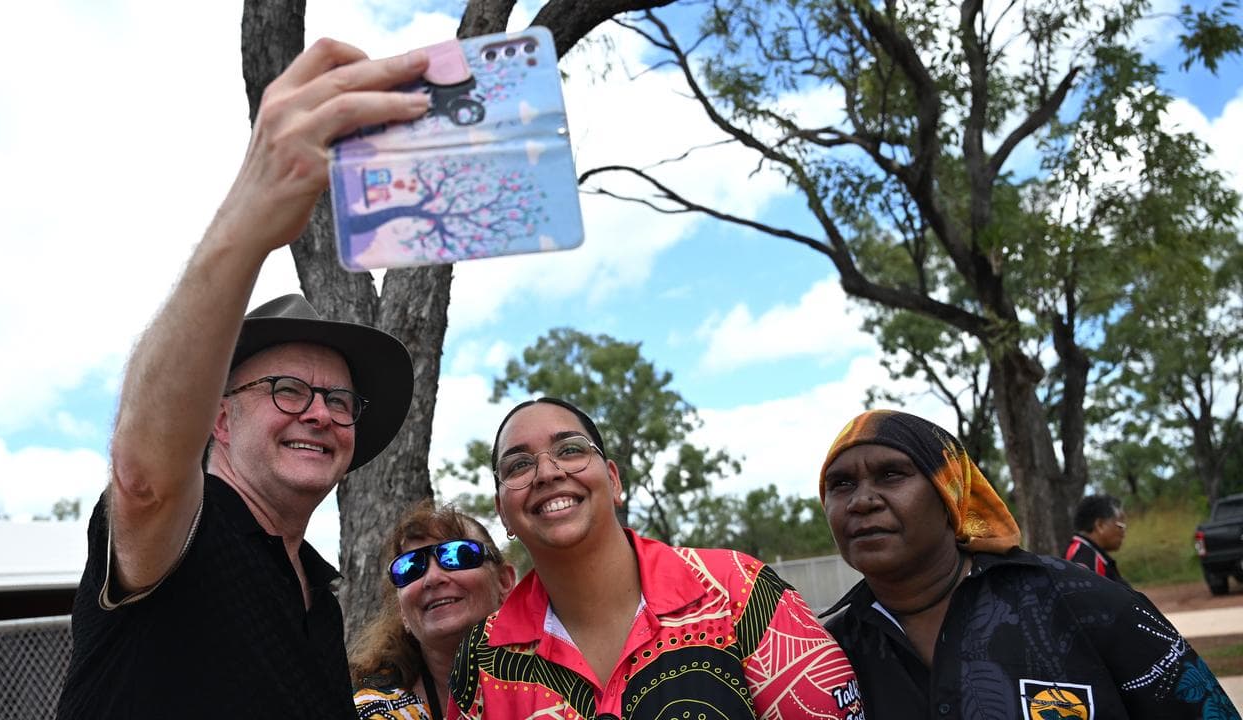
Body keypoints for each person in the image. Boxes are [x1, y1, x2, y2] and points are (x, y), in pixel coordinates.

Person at [55, 39, 431, 720]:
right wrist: (250, 217)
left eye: (338, 399)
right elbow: (146, 479)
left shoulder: (321, 597)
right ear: (219, 419)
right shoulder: (186, 533)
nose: (319, 413)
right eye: (288, 390)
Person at [448, 397, 864, 720]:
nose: (547, 472)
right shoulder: (483, 659)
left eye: (570, 449)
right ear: (503, 512)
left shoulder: (739, 590)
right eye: (518, 465)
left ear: (613, 481)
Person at [817, 409, 1239, 719]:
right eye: (841, 484)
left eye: (891, 475)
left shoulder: (1085, 605)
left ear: (950, 496)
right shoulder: (822, 655)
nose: (861, 500)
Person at [349, 502, 515, 720]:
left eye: (457, 555)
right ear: (402, 612)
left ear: (504, 582)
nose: (433, 578)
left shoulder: (555, 674)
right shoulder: (366, 711)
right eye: (410, 567)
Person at [1064, 494, 1130, 586]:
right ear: (1100, 525)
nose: (1123, 533)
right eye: (1120, 526)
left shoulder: (1091, 554)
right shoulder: (1084, 559)